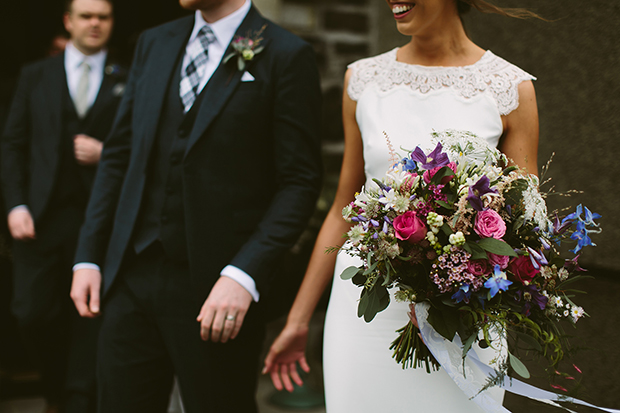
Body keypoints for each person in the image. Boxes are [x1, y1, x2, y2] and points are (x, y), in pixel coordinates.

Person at [263, 0, 540, 411]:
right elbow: (345, 207)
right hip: (365, 309)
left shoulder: (510, 88)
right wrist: (298, 319)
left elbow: (527, 221)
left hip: (462, 312)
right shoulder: (363, 80)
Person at [69, 0, 323, 411]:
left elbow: (299, 182)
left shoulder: (284, 54)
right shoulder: (154, 42)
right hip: (130, 277)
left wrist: (244, 274)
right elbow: (119, 154)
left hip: (217, 289)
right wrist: (88, 256)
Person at [1, 0, 123, 411]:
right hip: (39, 219)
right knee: (31, 313)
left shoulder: (130, 77)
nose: (94, 24)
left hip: (99, 221)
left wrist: (104, 152)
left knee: (88, 317)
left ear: (111, 23)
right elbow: (13, 143)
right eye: (86, 16)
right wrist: (15, 203)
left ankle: (76, 400)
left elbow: (143, 148)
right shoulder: (36, 75)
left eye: (102, 17)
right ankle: (57, 389)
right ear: (68, 22)